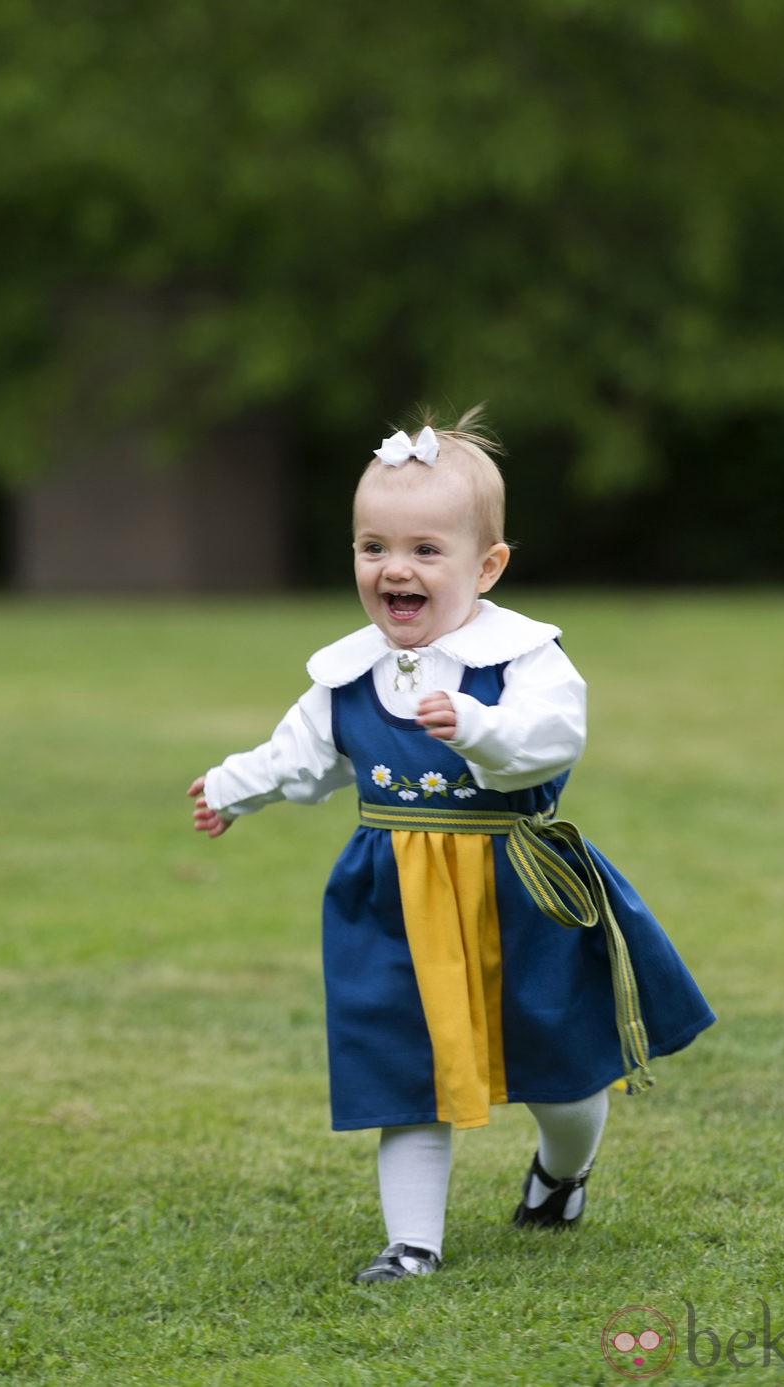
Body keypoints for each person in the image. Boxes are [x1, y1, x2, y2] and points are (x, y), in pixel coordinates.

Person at [187, 408, 715, 1284]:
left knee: (560, 1069)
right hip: (393, 892)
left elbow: (553, 739)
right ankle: (412, 1243)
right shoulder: (348, 674)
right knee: (406, 1062)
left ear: (488, 564)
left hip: (517, 888)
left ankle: (563, 1168)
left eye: (426, 550)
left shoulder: (523, 659)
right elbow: (302, 753)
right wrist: (237, 787)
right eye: (374, 547)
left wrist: (479, 728)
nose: (396, 567)